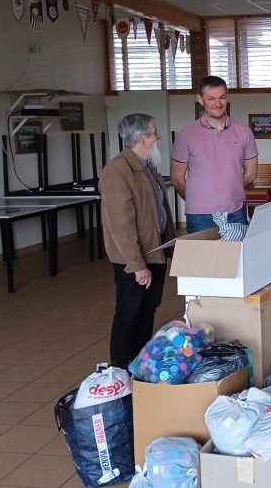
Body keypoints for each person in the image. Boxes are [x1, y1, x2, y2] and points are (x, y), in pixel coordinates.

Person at [99, 114, 174, 368]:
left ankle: (139, 364)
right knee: (129, 314)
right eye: (155, 131)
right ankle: (120, 369)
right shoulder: (117, 171)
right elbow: (121, 225)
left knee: (147, 310)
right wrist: (136, 264)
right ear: (142, 137)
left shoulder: (146, 166)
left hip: (154, 251)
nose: (159, 136)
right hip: (134, 260)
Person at [171, 76, 258, 233]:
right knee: (201, 258)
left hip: (235, 212)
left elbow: (251, 173)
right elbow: (177, 179)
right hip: (199, 216)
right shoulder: (186, 135)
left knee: (237, 257)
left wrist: (229, 191)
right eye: (211, 98)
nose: (218, 104)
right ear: (200, 99)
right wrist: (197, 198)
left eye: (222, 97)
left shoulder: (244, 132)